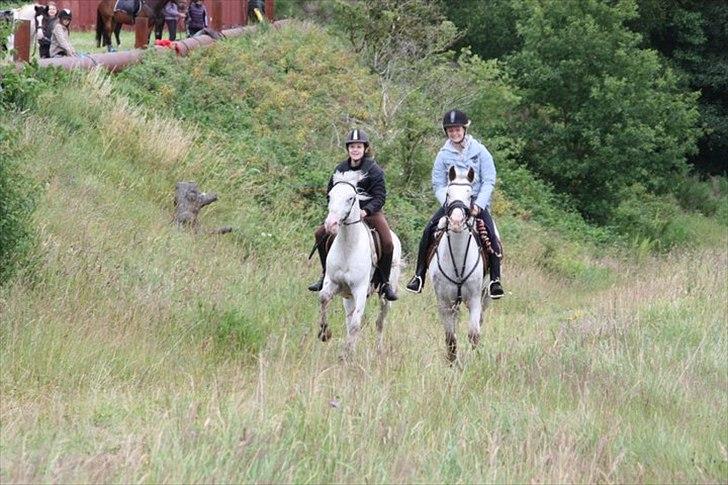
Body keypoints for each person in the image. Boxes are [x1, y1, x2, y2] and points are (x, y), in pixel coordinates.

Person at [405, 109, 505, 299]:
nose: (454, 133)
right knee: (428, 231)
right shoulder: (443, 155)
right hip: (452, 202)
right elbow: (438, 183)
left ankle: (495, 280)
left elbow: (489, 180)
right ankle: (419, 275)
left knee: (491, 234)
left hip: (475, 203)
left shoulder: (480, 151)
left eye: (457, 129)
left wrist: (479, 205)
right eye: (450, 130)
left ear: (464, 129)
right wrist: (449, 204)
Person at [309, 129, 398, 301]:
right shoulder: (340, 169)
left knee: (387, 242)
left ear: (365, 148)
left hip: (369, 212)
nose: (355, 150)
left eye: (358, 146)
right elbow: (331, 192)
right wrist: (337, 211)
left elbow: (380, 197)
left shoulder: (374, 170)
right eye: (352, 147)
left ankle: (385, 283)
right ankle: (325, 274)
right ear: (348, 149)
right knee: (320, 233)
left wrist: (366, 210)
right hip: (345, 214)